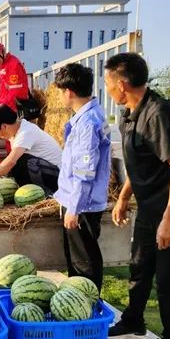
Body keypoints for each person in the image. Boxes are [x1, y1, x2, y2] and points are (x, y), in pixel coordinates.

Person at [104, 52, 170, 339]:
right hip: (148, 206)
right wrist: (125, 196)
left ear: (122, 83)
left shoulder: (159, 114)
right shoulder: (130, 114)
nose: (108, 88)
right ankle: (133, 323)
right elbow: (138, 164)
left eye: (108, 82)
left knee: (169, 276)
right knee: (140, 266)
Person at [53, 63, 111, 292]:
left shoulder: (87, 124)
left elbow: (84, 172)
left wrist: (74, 208)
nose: (60, 97)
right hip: (81, 202)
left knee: (83, 261)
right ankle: (78, 300)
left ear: (69, 92)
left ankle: (87, 305)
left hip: (83, 206)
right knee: (79, 259)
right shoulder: (91, 115)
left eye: (60, 92)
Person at [0, 40, 38, 166]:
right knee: (9, 136)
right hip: (7, 106)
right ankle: (10, 164)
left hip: (11, 107)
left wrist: (1, 108)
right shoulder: (5, 65)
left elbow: (16, 92)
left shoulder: (14, 65)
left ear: (2, 52)